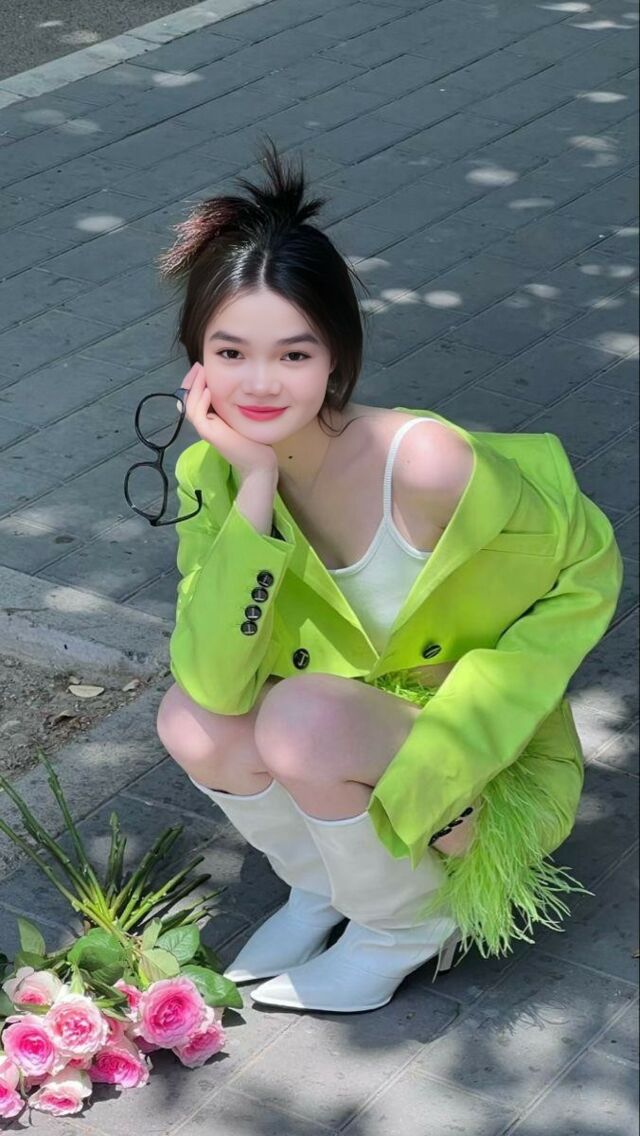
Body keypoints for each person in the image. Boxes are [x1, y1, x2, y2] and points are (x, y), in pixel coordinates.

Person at [150, 137, 623, 1014]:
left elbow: (586, 568)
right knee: (191, 717)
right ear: (196, 364)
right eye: (231, 353)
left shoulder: (427, 463)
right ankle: (327, 888)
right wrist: (254, 488)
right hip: (337, 735)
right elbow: (214, 680)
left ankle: (404, 924)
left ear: (336, 355)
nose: (260, 384)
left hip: (471, 757)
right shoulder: (213, 473)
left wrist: (453, 780)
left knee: (299, 716)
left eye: (294, 355)